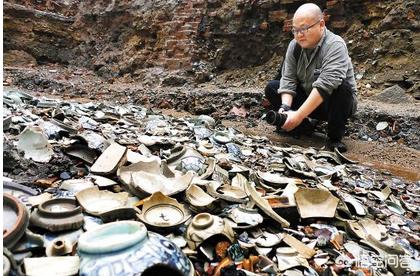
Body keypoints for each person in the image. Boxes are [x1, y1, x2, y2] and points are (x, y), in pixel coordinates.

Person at [265, 3, 357, 152]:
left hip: (334, 105)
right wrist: (285, 108)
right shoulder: (294, 46)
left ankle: (334, 137)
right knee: (272, 87)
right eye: (295, 30)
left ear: (321, 24)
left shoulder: (335, 45)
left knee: (342, 88)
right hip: (309, 98)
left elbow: (325, 86)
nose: (299, 34)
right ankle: (303, 128)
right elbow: (288, 80)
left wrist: (298, 115)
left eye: (304, 28)